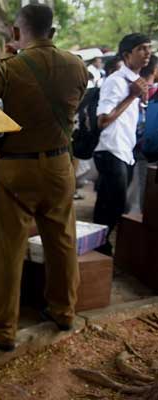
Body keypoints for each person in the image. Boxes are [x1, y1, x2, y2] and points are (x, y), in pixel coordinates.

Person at [0, 4, 88, 351]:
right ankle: (64, 310)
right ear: (51, 32)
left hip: (14, 168)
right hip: (58, 165)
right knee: (62, 240)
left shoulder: (7, 69)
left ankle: (4, 329)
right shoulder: (77, 65)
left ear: (17, 33)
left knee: (9, 250)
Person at [93, 33, 152, 254]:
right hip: (111, 149)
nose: (147, 53)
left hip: (124, 151)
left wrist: (139, 97)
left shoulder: (136, 81)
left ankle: (99, 249)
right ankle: (99, 249)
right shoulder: (116, 81)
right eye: (141, 49)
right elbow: (103, 120)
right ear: (127, 55)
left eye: (148, 48)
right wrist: (131, 97)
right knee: (113, 204)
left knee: (110, 205)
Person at [127, 55, 158, 214]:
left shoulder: (134, 88)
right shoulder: (150, 90)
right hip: (149, 149)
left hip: (138, 147)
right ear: (154, 70)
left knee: (143, 189)